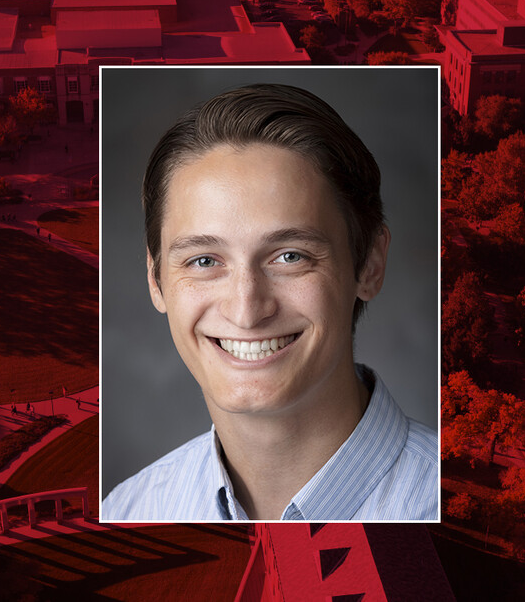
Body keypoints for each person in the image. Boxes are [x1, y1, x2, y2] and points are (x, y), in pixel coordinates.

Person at [103, 83, 437, 521]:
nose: (246, 309)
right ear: (155, 279)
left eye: (290, 256)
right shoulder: (127, 513)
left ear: (369, 265)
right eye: (204, 260)